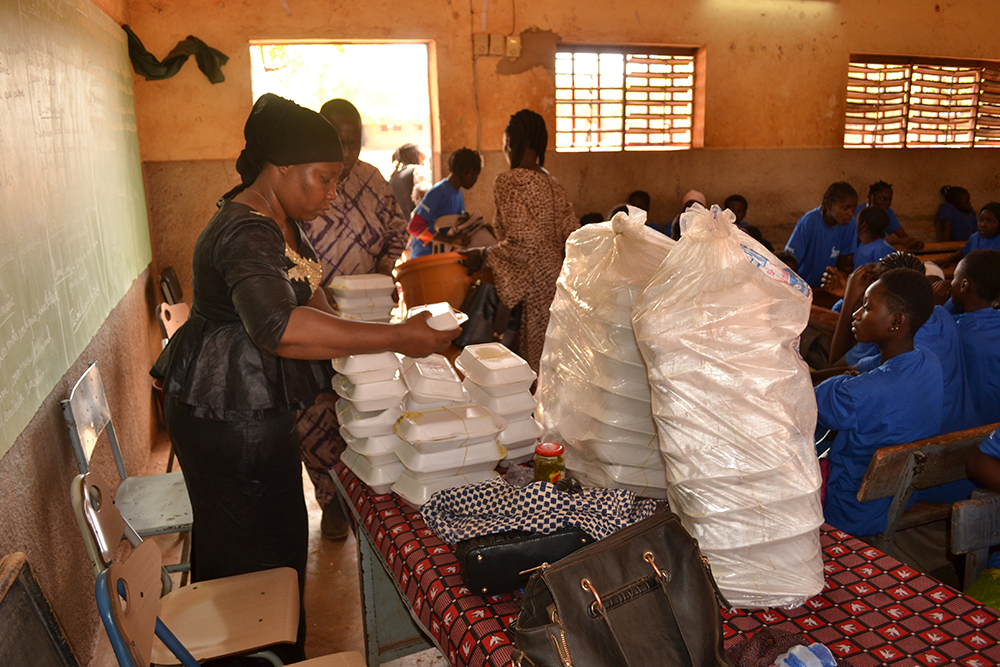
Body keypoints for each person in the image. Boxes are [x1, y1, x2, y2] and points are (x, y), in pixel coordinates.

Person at [150, 94, 459, 659]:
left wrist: (359, 347)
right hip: (225, 409)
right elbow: (277, 325)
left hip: (251, 401)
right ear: (281, 168)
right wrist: (395, 338)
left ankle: (266, 647)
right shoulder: (246, 232)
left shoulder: (283, 218)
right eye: (324, 178)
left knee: (279, 537)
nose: (333, 193)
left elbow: (310, 289)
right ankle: (250, 652)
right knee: (253, 549)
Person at [297, 98, 411, 540]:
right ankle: (331, 501)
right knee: (317, 416)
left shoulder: (373, 181)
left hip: (368, 320)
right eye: (338, 140)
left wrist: (383, 271)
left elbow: (398, 229)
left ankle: (372, 498)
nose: (348, 152)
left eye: (354, 140)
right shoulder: (307, 184)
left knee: (368, 405)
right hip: (317, 320)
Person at [814, 268, 942, 538]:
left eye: (867, 308)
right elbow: (857, 370)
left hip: (849, 509)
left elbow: (811, 400)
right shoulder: (927, 361)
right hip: (898, 497)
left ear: (896, 321)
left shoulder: (859, 394)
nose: (855, 314)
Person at [462, 109, 579, 372]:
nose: (504, 149)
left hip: (532, 286)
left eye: (505, 142)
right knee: (552, 363)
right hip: (559, 283)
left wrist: (483, 254)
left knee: (527, 366)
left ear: (517, 143)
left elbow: (524, 242)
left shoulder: (509, 181)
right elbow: (573, 234)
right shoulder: (553, 183)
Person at [951, 249, 1000, 426]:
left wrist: (937, 306)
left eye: (953, 279)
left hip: (970, 427)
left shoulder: (956, 332)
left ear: (964, 285)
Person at [407, 147, 482, 258]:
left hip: (442, 256)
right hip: (425, 257)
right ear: (469, 173)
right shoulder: (438, 193)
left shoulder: (458, 193)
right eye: (476, 176)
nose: (475, 181)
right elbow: (414, 227)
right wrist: (450, 240)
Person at [784, 182, 858, 290]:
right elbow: (790, 262)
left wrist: (843, 286)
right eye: (845, 208)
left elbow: (843, 258)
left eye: (853, 209)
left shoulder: (849, 224)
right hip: (801, 284)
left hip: (823, 286)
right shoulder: (809, 222)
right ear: (830, 206)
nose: (850, 213)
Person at [850, 181, 923, 251]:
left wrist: (914, 242)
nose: (886, 203)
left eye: (889, 199)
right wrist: (898, 241)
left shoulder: (888, 213)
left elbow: (903, 235)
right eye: (882, 199)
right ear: (871, 197)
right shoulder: (859, 212)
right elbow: (865, 241)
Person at [939, 202, 1000, 268]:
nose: (983, 225)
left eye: (990, 221)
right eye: (981, 220)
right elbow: (964, 250)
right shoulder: (975, 237)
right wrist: (948, 259)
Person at [389, 142, 426, 219]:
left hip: (401, 223)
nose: (424, 163)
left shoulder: (394, 176)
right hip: (416, 223)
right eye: (422, 158)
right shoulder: (418, 171)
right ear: (413, 156)